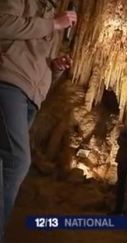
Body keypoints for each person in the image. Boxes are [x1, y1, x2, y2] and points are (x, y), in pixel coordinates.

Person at [0, 0, 77, 237]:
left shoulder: (55, 15)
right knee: (17, 160)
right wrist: (52, 24)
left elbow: (38, 62)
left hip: (32, 96)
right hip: (8, 80)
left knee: (4, 164)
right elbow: (2, 23)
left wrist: (55, 68)